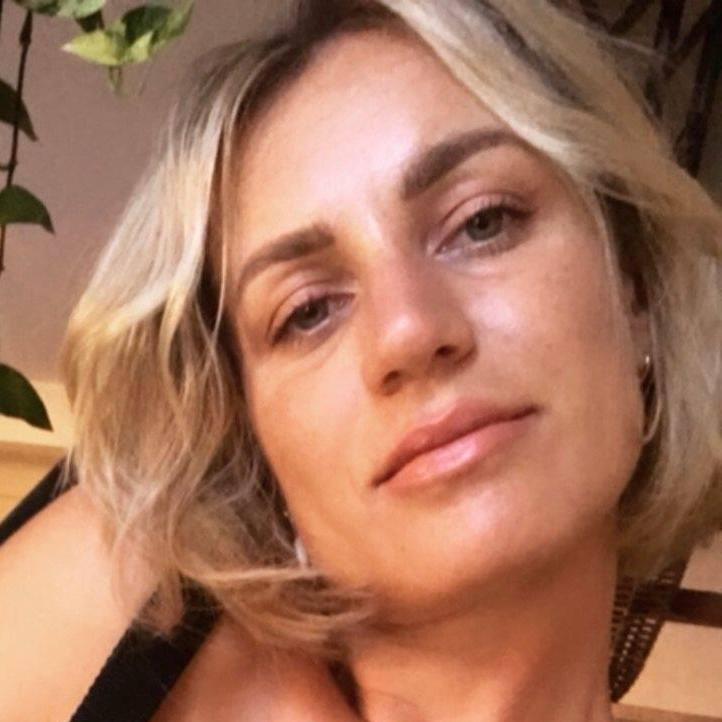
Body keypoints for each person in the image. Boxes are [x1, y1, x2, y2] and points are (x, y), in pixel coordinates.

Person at [1, 1, 720, 720]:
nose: (408, 331)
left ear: (634, 286)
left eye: (482, 222)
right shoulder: (119, 604)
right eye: (308, 311)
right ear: (257, 445)